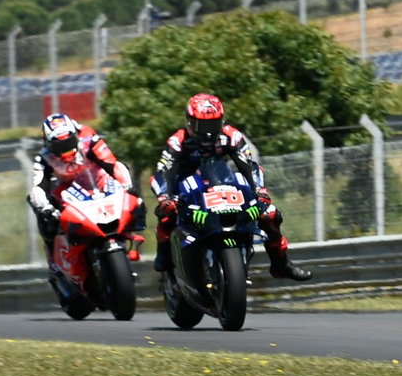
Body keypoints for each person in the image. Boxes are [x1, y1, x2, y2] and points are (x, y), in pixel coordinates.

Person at [151, 92, 312, 281]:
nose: (209, 132)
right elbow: (163, 171)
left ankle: (281, 264)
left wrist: (260, 191)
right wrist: (165, 197)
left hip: (220, 183)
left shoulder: (232, 136)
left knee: (270, 214)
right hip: (184, 188)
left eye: (213, 124)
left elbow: (249, 165)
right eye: (203, 126)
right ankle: (164, 254)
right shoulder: (177, 141)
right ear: (190, 122)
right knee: (167, 214)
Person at [26, 114, 141, 267]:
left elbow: (112, 164)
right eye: (59, 146)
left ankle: (131, 233)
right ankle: (54, 259)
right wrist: (45, 208)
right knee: (44, 215)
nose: (66, 150)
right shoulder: (44, 158)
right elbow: (38, 187)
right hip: (68, 191)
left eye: (68, 142)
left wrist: (127, 185)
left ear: (75, 134)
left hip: (98, 182)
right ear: (47, 144)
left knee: (135, 200)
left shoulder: (88, 137)